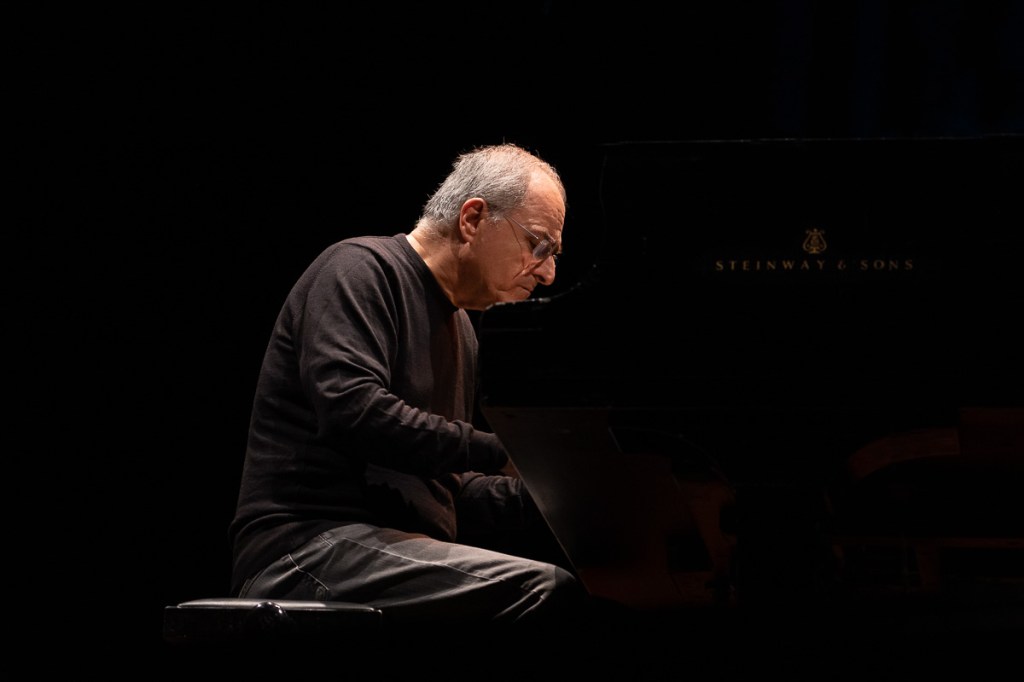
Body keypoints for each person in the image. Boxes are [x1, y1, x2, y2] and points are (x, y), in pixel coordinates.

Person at [228, 142, 590, 635]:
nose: (548, 273)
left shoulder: (462, 330)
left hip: (387, 551)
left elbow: (450, 488)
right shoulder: (359, 268)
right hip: (305, 549)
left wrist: (563, 493)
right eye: (539, 245)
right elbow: (354, 411)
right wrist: (508, 450)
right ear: (473, 219)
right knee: (544, 590)